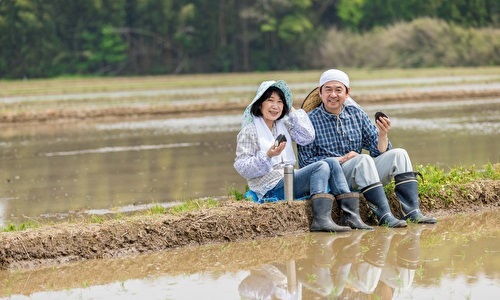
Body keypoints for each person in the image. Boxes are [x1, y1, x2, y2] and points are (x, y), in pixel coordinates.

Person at [297, 69, 437, 227]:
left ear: (347, 93)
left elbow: (378, 150)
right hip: (334, 177)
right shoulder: (309, 121)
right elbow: (306, 163)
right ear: (320, 93)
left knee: (400, 154)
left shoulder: (356, 114)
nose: (333, 95)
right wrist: (340, 159)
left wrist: (382, 134)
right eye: (328, 90)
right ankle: (384, 215)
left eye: (338, 90)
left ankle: (412, 212)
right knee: (362, 159)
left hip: (361, 173)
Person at [234, 80, 373, 232]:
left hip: (287, 178)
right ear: (260, 103)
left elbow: (307, 136)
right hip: (269, 187)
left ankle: (350, 215)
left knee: (331, 163)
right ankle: (321, 220)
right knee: (321, 165)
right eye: (270, 100)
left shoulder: (282, 124)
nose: (276, 106)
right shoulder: (250, 131)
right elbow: (242, 166)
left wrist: (292, 111)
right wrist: (267, 156)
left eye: (280, 102)